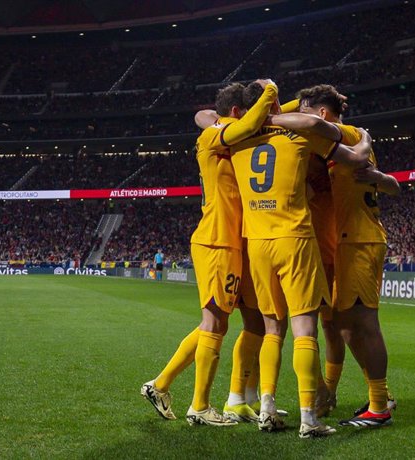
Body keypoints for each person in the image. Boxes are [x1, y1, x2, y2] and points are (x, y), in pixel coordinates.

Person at [230, 81, 372, 438]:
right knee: (305, 329)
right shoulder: (298, 136)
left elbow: (207, 117)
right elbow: (355, 158)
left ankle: (266, 407)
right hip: (294, 238)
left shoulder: (234, 138)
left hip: (257, 243)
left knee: (272, 329)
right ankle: (309, 418)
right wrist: (366, 140)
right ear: (274, 103)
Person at [140, 80, 277, 427]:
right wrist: (272, 92)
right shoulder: (216, 134)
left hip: (231, 240)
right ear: (234, 113)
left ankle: (161, 385)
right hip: (217, 240)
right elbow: (239, 123)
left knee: (216, 322)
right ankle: (199, 405)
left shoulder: (222, 131)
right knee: (214, 322)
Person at [297, 84, 400, 427]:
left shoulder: (351, 133)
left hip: (360, 241)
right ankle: (377, 398)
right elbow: (390, 184)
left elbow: (310, 126)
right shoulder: (347, 145)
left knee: (363, 323)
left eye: (306, 109)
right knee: (343, 325)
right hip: (351, 240)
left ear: (323, 113)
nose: (303, 116)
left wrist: (269, 113)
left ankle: (380, 406)